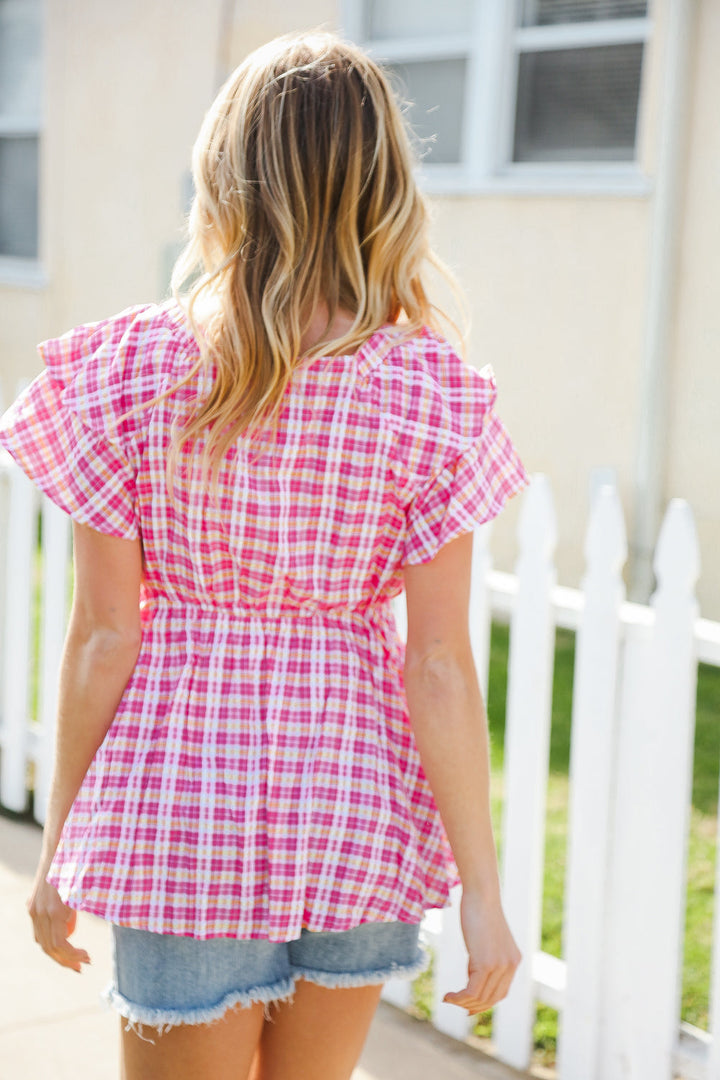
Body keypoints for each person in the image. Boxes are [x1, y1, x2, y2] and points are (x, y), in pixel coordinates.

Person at [0, 30, 529, 1080]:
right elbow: (438, 663)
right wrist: (481, 890)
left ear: (222, 176)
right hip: (355, 805)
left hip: (185, 807)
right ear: (384, 189)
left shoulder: (131, 373)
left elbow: (105, 634)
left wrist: (61, 848)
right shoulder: (429, 399)